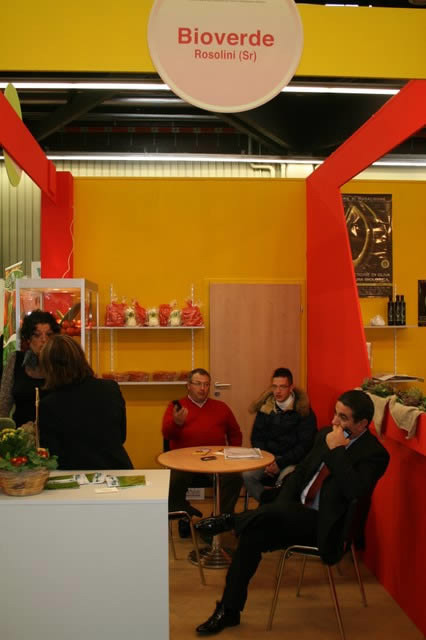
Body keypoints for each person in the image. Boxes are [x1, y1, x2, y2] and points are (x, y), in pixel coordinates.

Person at [194, 389, 390, 635]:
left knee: (271, 515)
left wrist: (337, 451)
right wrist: (282, 508)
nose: (334, 422)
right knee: (252, 534)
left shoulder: (374, 454)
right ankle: (229, 610)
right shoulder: (325, 435)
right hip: (292, 513)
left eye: (343, 417)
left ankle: (230, 520)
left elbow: (354, 490)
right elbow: (299, 475)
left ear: (362, 424)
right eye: (335, 414)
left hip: (326, 526)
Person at [39, 334, 133, 470]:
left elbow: (52, 453)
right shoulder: (110, 388)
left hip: (73, 474)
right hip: (117, 469)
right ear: (81, 358)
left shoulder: (49, 404)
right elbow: (121, 436)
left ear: (49, 367)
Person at [162, 368, 243, 518]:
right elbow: (167, 435)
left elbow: (235, 434)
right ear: (188, 385)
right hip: (183, 461)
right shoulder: (177, 406)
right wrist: (176, 423)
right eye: (198, 384)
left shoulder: (221, 407)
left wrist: (233, 455)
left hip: (216, 459)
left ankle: (219, 518)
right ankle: (184, 513)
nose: (202, 388)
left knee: (234, 478)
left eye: (206, 384)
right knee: (173, 481)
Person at [242, 367, 317, 502]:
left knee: (286, 482)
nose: (277, 391)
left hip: (291, 461)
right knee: (247, 475)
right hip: (267, 459)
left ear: (291, 388)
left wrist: (280, 464)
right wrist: (267, 461)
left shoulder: (303, 411)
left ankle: (275, 507)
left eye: (282, 387)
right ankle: (267, 504)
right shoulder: (265, 407)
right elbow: (256, 437)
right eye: (274, 386)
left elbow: (304, 445)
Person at [0, 309, 60, 426]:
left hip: (54, 432)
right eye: (37, 335)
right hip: (20, 432)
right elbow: (4, 403)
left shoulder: (61, 362)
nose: (44, 340)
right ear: (28, 338)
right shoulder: (16, 360)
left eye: (49, 334)